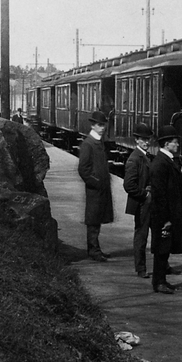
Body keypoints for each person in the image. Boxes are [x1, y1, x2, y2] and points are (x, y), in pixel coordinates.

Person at [148, 125, 182, 294]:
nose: (177, 145)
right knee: (161, 250)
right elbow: (159, 195)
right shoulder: (161, 163)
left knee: (165, 249)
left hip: (168, 214)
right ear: (166, 144)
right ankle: (158, 282)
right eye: (175, 142)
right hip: (163, 216)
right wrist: (165, 219)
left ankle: (162, 280)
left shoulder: (166, 161)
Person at [77, 109, 113, 262]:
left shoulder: (98, 142)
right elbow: (83, 169)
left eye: (103, 125)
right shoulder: (88, 144)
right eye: (99, 125)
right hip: (95, 190)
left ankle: (96, 248)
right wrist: (96, 182)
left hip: (100, 189)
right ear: (92, 125)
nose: (102, 127)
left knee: (97, 220)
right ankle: (93, 250)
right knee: (93, 220)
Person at [123, 122, 155, 279]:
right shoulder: (134, 158)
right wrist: (145, 195)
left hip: (149, 203)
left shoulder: (146, 156)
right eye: (143, 139)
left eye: (148, 139)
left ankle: (163, 265)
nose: (146, 142)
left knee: (158, 234)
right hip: (142, 204)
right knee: (141, 236)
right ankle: (140, 268)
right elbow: (128, 185)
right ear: (136, 140)